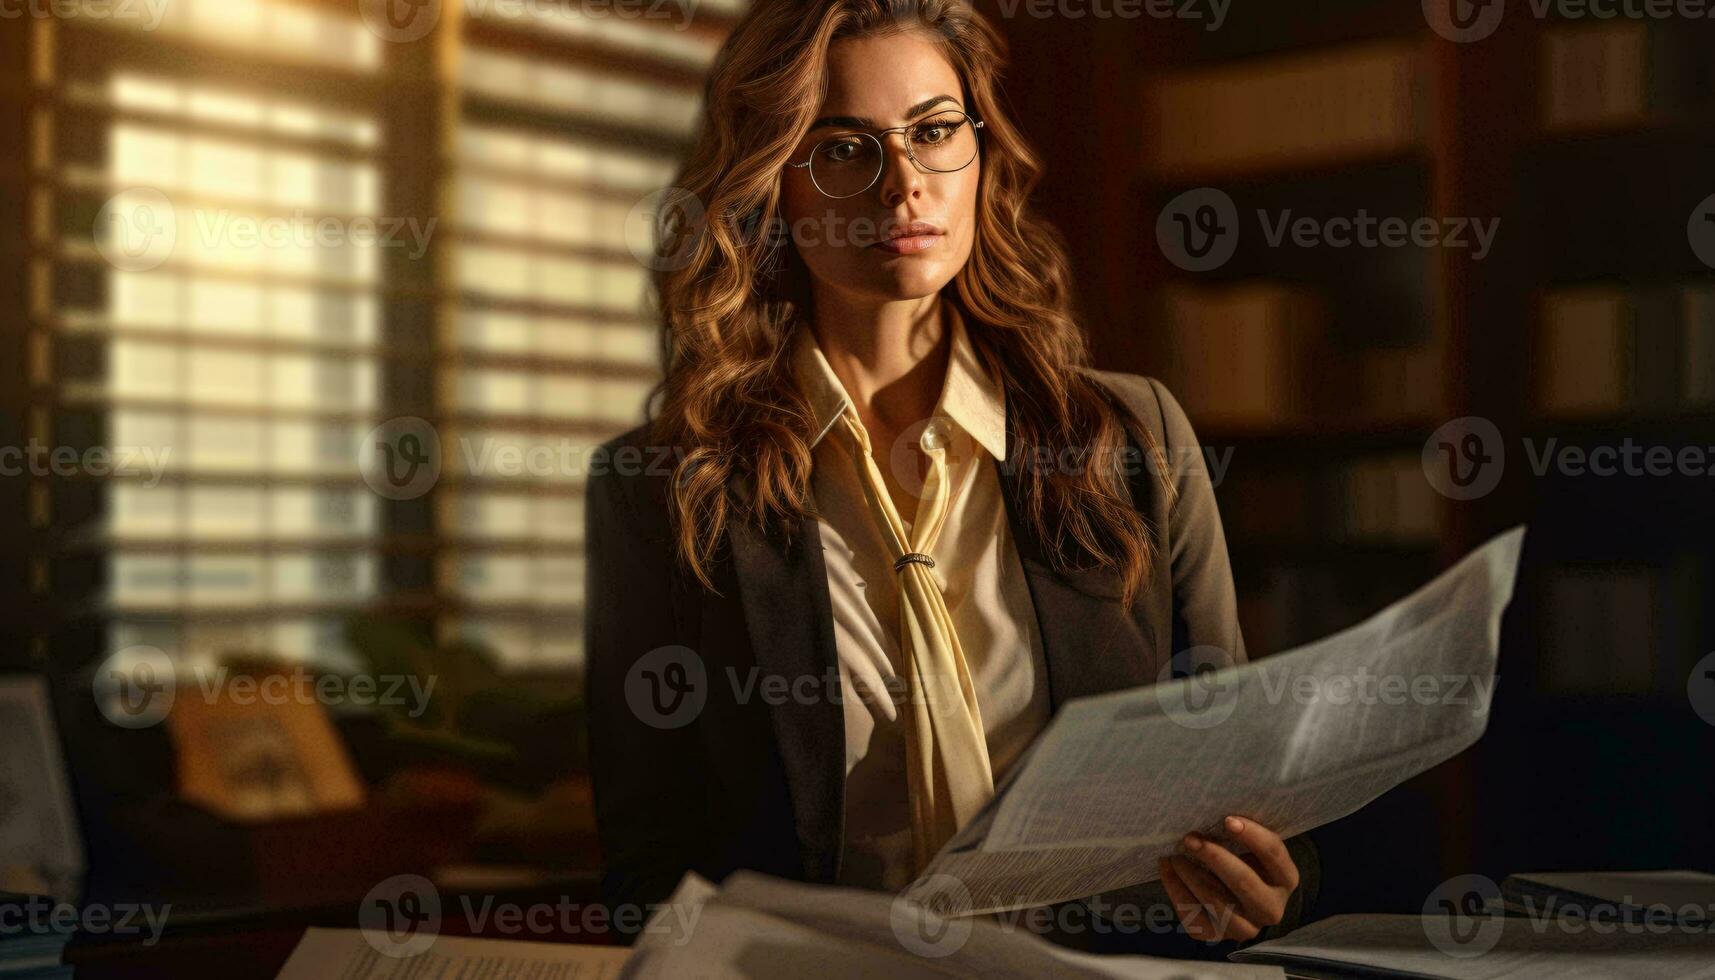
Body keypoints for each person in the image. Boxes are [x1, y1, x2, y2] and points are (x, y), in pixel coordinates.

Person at [584, 0, 1317, 956]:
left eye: (933, 133)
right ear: (770, 183)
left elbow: (1238, 787)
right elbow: (650, 871)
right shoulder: (659, 488)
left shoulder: (1131, 438)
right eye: (844, 148)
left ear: (978, 153)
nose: (903, 187)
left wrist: (1263, 886)